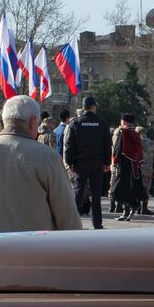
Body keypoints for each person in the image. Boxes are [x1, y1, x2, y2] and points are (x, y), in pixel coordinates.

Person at [0, 95, 83, 238]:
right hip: (32, 252)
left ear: (4, 120)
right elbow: (66, 213)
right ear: (32, 122)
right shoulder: (47, 156)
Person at [64, 96, 111, 230]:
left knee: (78, 193)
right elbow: (107, 144)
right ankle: (97, 223)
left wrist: (69, 162)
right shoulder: (102, 123)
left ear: (83, 107)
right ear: (94, 107)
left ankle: (72, 223)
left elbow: (69, 144)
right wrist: (107, 162)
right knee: (96, 194)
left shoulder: (75, 123)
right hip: (97, 163)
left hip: (80, 163)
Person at [110, 113, 144, 221]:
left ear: (124, 121)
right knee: (129, 188)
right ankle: (126, 211)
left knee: (117, 189)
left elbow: (118, 149)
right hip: (134, 166)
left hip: (123, 164)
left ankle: (132, 205)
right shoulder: (136, 133)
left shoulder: (123, 132)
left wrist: (115, 161)